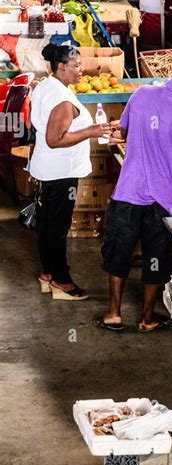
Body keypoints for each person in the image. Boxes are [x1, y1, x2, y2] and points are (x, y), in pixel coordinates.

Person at [97, 61, 172, 332]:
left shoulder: (141, 94)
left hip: (128, 191)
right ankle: (147, 318)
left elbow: (123, 132)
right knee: (155, 257)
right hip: (164, 200)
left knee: (118, 252)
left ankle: (113, 313)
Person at [29, 44, 112, 300]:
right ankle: (62, 282)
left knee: (48, 224)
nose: (82, 70)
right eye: (76, 66)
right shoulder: (62, 101)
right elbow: (55, 139)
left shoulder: (47, 86)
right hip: (61, 172)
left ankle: (48, 275)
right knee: (57, 227)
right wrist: (91, 131)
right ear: (61, 67)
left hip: (47, 168)